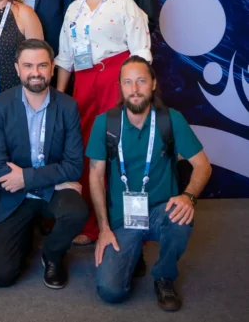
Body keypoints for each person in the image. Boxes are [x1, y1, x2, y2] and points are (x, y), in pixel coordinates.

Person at [87, 56, 212, 311]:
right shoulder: (105, 123)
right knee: (111, 291)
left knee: (180, 217)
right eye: (128, 82)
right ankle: (133, 255)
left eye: (141, 81)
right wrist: (103, 229)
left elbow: (203, 166)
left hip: (160, 211)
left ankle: (164, 276)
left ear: (153, 84)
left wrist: (188, 196)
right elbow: (96, 176)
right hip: (123, 217)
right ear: (120, 86)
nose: (134, 89)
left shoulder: (171, 119)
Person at [55, 0, 152, 244]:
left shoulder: (125, 4)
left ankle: (126, 222)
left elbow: (141, 52)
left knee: (121, 147)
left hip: (116, 79)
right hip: (84, 81)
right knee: (86, 148)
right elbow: (65, 58)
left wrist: (135, 88)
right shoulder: (74, 8)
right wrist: (59, 98)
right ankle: (90, 225)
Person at [0, 39, 88, 289]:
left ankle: (52, 254)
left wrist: (27, 178)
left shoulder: (68, 106)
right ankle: (25, 238)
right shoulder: (0, 105)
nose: (35, 72)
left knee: (76, 212)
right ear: (17, 69)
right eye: (28, 66)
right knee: (1, 276)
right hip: (17, 194)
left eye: (42, 65)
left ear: (52, 68)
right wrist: (50, 181)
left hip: (47, 192)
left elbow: (74, 166)